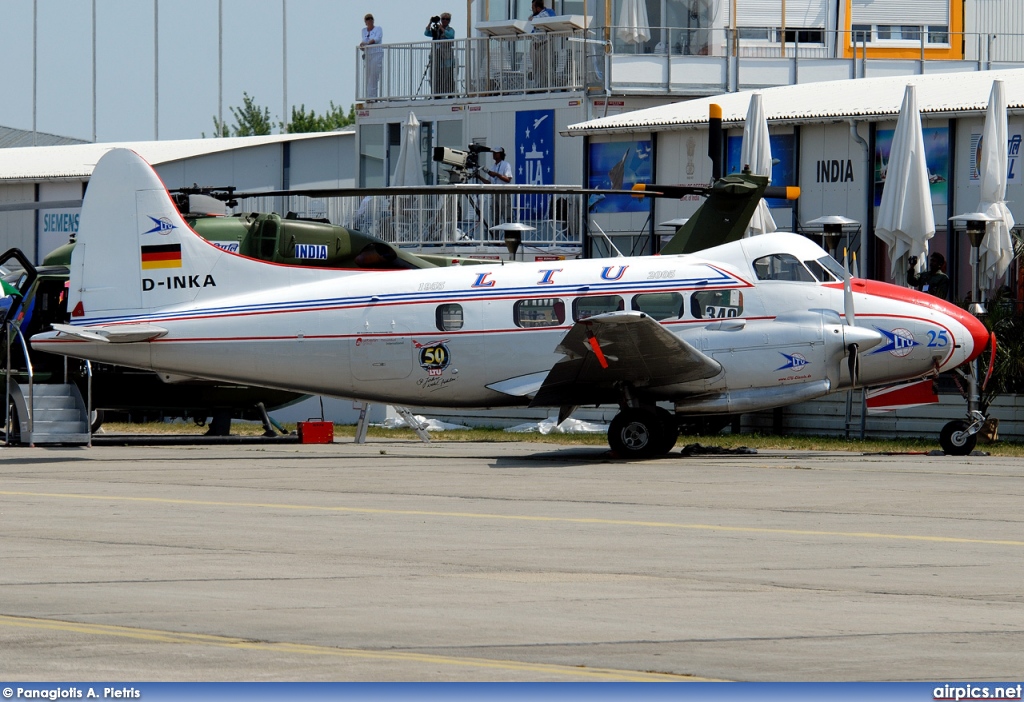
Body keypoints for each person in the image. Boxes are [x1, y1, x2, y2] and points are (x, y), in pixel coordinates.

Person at [424, 12, 455, 97]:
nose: (445, 20)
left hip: (447, 56)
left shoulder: (450, 30)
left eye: (447, 19)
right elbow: (426, 33)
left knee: (447, 75)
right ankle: (437, 93)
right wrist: (430, 23)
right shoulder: (436, 29)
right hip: (437, 55)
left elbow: (450, 36)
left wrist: (442, 28)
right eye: (443, 19)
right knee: (436, 75)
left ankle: (449, 93)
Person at [483, 147, 514, 228]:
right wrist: (479, 176)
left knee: (507, 216)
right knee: (495, 217)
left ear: (500, 154)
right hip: (495, 194)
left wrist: (496, 174)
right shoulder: (493, 167)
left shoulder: (506, 164)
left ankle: (509, 237)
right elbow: (489, 182)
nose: (494, 154)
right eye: (493, 153)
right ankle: (495, 239)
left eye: (496, 153)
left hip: (504, 193)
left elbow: (508, 179)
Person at [528, 0, 556, 88]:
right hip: (535, 44)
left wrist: (534, 18)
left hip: (545, 44)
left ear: (538, 8)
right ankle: (537, 85)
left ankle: (548, 85)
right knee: (536, 66)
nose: (532, 10)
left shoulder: (549, 12)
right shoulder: (535, 16)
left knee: (546, 66)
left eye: (533, 8)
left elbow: (549, 19)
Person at [360, 14, 384, 99]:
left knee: (374, 75)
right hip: (368, 55)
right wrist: (363, 45)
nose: (369, 20)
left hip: (376, 53)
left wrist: (367, 43)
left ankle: (372, 97)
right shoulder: (364, 31)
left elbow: (377, 39)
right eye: (367, 19)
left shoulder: (378, 29)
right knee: (368, 76)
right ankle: (369, 96)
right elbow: (364, 40)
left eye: (371, 19)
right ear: (365, 22)